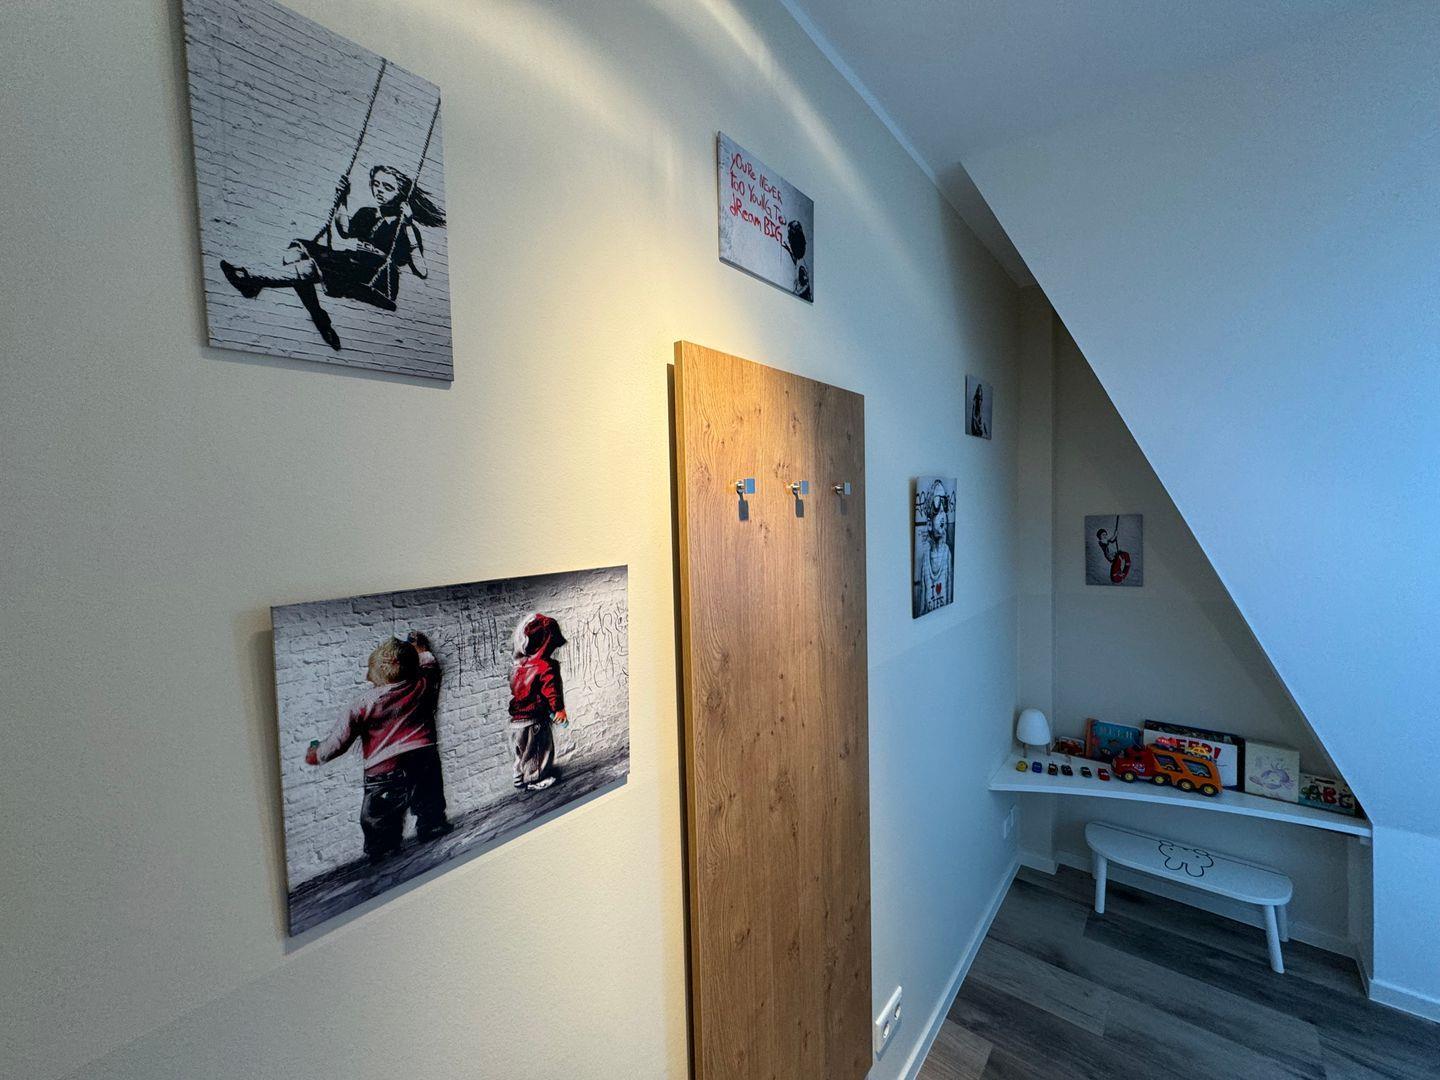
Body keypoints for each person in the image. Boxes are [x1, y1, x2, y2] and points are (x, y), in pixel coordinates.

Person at [219, 165, 445, 351]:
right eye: (376, 184)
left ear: (401, 195)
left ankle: (251, 279)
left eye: (387, 187)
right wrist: (342, 200)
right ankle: (318, 317)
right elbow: (345, 231)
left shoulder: (405, 227)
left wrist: (408, 224)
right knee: (296, 250)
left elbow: (421, 270)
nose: (379, 190)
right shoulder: (367, 213)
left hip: (373, 278)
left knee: (309, 268)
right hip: (351, 263)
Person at [305, 631, 451, 862]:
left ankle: (383, 847)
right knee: (429, 799)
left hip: (384, 772)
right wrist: (422, 650)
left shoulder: (362, 704)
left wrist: (317, 753)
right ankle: (432, 825)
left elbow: (339, 742)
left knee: (379, 816)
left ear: (374, 673)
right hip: (423, 759)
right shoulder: (420, 687)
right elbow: (431, 668)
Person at [507, 613, 571, 792]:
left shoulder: (519, 666)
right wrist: (559, 709)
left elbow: (515, 689)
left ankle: (519, 777)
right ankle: (536, 779)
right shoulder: (546, 666)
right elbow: (551, 691)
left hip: (516, 721)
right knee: (538, 750)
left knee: (521, 751)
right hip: (534, 720)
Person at [918, 481, 952, 613]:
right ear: (929, 524)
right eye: (937, 510)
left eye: (945, 505)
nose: (943, 514)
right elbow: (922, 606)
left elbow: (949, 593)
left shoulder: (947, 554)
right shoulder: (925, 559)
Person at [783, 219, 813, 301]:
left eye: (790, 236)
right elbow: (795, 260)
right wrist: (789, 250)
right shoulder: (800, 260)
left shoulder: (801, 266)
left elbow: (806, 284)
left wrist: (796, 293)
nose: (788, 238)